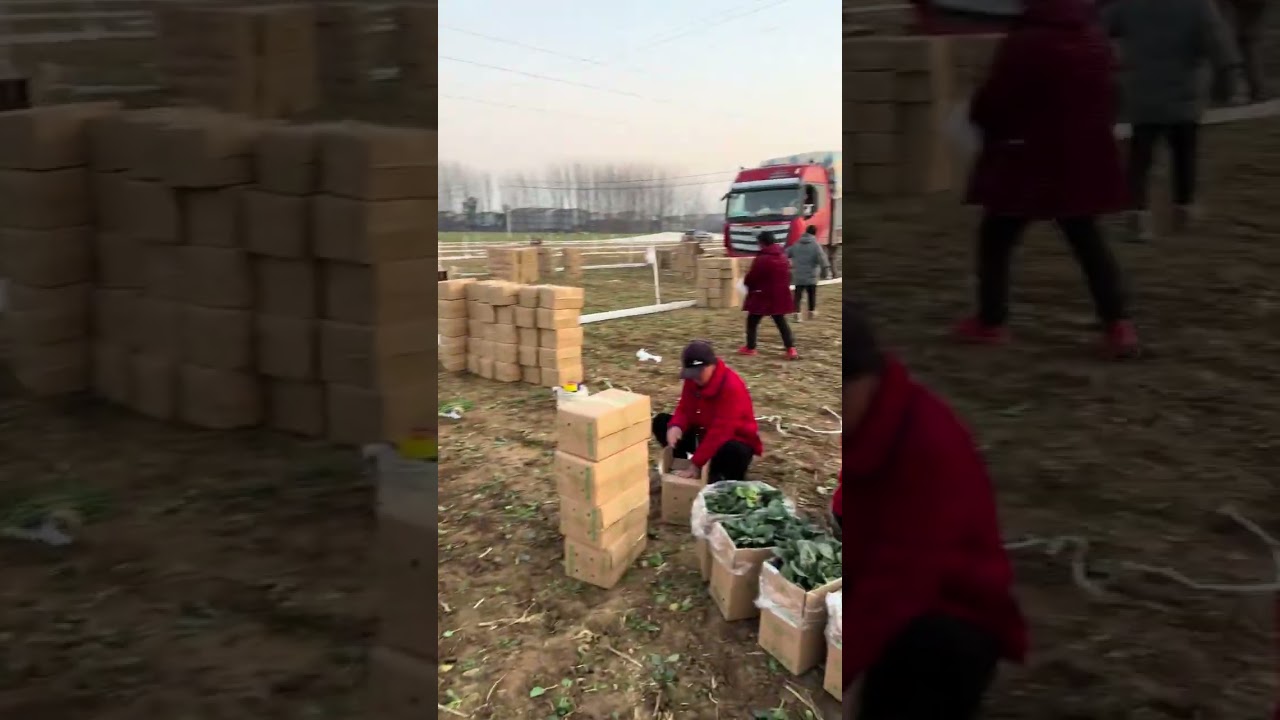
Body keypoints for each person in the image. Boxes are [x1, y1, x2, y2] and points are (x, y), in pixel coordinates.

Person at [843, 300, 1027, 720]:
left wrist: (845, 666)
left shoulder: (927, 444)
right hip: (877, 582)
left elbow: (902, 578)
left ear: (862, 379)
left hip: (948, 613)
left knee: (929, 653)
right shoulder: (863, 426)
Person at [956, 0, 1140, 359]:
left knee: (996, 241)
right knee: (1087, 240)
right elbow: (1112, 97)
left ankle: (991, 322)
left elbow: (997, 100)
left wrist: (979, 118)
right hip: (1078, 159)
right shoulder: (1095, 39)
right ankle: (1118, 324)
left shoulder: (1025, 42)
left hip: (1025, 158)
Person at [1101, 0, 1240, 241]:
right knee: (1185, 155)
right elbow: (1218, 42)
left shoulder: (1129, 5)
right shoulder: (1198, 6)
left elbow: (1098, 28)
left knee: (1140, 158)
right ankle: (1183, 211)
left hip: (1143, 92)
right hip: (1184, 93)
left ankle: (1136, 214)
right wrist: (1230, 78)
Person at [651, 340, 763, 483]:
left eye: (700, 372)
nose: (695, 378)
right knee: (662, 422)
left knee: (734, 451)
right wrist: (676, 425)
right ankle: (679, 465)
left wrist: (696, 464)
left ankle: (720, 477)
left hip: (731, 441)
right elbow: (685, 407)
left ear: (712, 365)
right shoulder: (693, 380)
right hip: (702, 434)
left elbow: (721, 431)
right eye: (692, 373)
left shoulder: (731, 386)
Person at [739, 231, 798, 360]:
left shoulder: (762, 258)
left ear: (762, 243)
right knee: (781, 322)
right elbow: (787, 276)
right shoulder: (783, 256)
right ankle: (791, 349)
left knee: (752, 322)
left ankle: (750, 347)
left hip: (762, 296)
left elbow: (752, 277)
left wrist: (746, 283)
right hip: (778, 296)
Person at [784, 224, 831, 322]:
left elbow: (786, 253)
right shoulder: (816, 245)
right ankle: (811, 313)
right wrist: (827, 270)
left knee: (798, 296)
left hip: (799, 275)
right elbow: (822, 258)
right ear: (815, 233)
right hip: (811, 275)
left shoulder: (796, 244)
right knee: (811, 294)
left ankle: (797, 314)